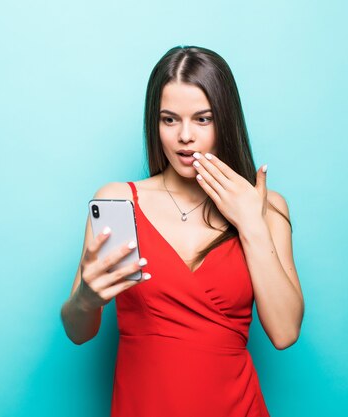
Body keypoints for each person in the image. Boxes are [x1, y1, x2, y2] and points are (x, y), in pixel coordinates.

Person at [60, 45, 304, 417]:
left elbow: (285, 333)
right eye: (169, 120)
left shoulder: (267, 209)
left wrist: (250, 223)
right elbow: (78, 332)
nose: (184, 136)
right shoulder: (119, 201)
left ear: (226, 121)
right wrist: (86, 299)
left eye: (202, 119)